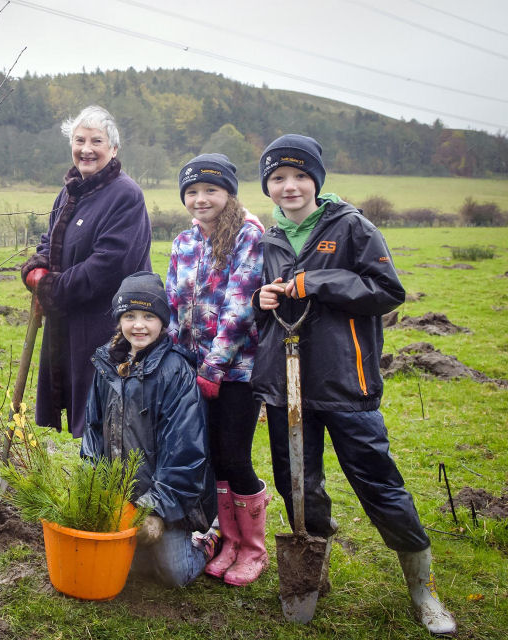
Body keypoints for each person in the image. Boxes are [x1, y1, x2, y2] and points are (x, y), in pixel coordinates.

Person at [252, 134, 456, 635]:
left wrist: (316, 281)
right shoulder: (268, 240)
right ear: (268, 187)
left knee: (378, 483)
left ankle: (422, 588)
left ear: (317, 181)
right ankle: (313, 567)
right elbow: (262, 315)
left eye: (300, 176)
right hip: (287, 388)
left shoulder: (351, 227)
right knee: (298, 485)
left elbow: (388, 291)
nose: (290, 185)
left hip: (347, 382)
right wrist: (264, 300)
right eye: (278, 178)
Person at [165, 154, 269, 587]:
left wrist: (214, 367)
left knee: (235, 456)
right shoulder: (183, 242)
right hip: (192, 370)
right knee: (211, 458)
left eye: (211, 190)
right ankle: (227, 541)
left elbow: (239, 307)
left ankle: (253, 549)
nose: (200, 198)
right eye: (192, 191)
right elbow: (172, 305)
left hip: (237, 372)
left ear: (228, 192)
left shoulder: (248, 236)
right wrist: (171, 360)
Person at [21, 105, 152, 438]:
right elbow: (49, 242)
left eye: (97, 141)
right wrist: (36, 270)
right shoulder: (70, 191)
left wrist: (51, 288)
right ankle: (94, 483)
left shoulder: (125, 195)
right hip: (70, 323)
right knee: (87, 419)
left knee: (107, 419)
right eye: (80, 140)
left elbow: (109, 265)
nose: (86, 149)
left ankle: (113, 487)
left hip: (106, 325)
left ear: (114, 149)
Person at [81, 271, 217, 587]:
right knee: (134, 570)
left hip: (167, 500)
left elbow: (185, 453)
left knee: (174, 574)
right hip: (120, 495)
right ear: (119, 320)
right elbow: (94, 428)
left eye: (148, 316)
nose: (138, 325)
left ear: (162, 321)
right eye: (129, 315)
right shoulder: (107, 366)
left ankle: (208, 539)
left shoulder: (175, 373)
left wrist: (153, 509)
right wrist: (95, 485)